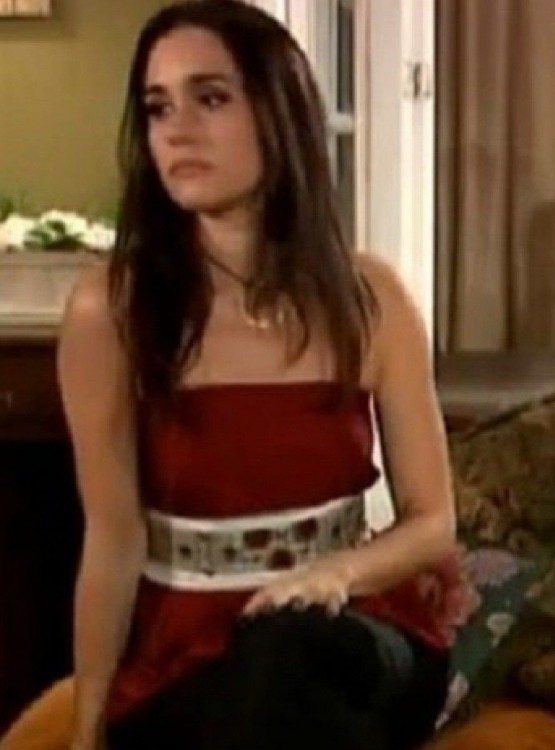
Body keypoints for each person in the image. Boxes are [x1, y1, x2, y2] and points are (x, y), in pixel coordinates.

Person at [58, 2, 464, 748]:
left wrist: (334, 577)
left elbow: (433, 521)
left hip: (354, 632)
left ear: (278, 114)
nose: (177, 130)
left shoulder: (371, 299)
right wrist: (87, 725)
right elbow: (112, 539)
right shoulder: (110, 310)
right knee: (263, 694)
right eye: (158, 107)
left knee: (288, 653)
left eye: (210, 98)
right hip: (188, 653)